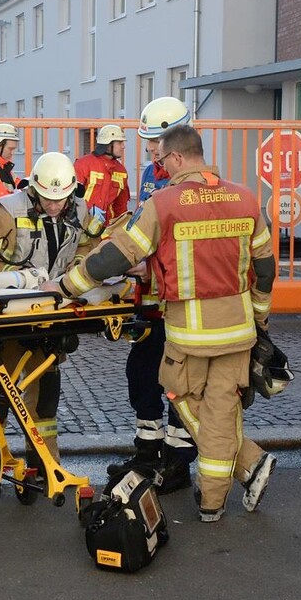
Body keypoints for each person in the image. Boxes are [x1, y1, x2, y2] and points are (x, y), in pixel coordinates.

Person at [47, 124, 278, 523]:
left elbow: (115, 257)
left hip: (188, 335)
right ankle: (212, 504)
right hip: (238, 331)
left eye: (161, 160)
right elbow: (265, 268)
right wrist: (260, 318)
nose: (160, 167)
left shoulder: (165, 203)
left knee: (179, 397)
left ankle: (249, 462)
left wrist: (67, 285)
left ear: (175, 158)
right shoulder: (246, 198)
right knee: (222, 410)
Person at [0, 152, 98, 491]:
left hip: (51, 316)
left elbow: (90, 248)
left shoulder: (81, 212)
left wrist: (76, 275)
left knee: (46, 392)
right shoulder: (7, 210)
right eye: (48, 198)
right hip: (9, 315)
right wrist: (26, 278)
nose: (55, 206)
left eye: (61, 199)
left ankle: (44, 460)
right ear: (33, 189)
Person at [106, 97, 197, 493]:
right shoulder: (149, 172)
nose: (148, 148)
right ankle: (148, 452)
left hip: (179, 301)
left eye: (155, 140)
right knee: (141, 375)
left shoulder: (195, 183)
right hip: (150, 299)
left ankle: (177, 462)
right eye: (146, 141)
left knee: (177, 383)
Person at [74, 123, 130, 221]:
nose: (123, 146)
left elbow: (121, 206)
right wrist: (89, 207)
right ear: (108, 145)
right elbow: (72, 195)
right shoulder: (83, 164)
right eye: (119, 143)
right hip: (83, 223)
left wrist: (120, 226)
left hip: (108, 228)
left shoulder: (121, 171)